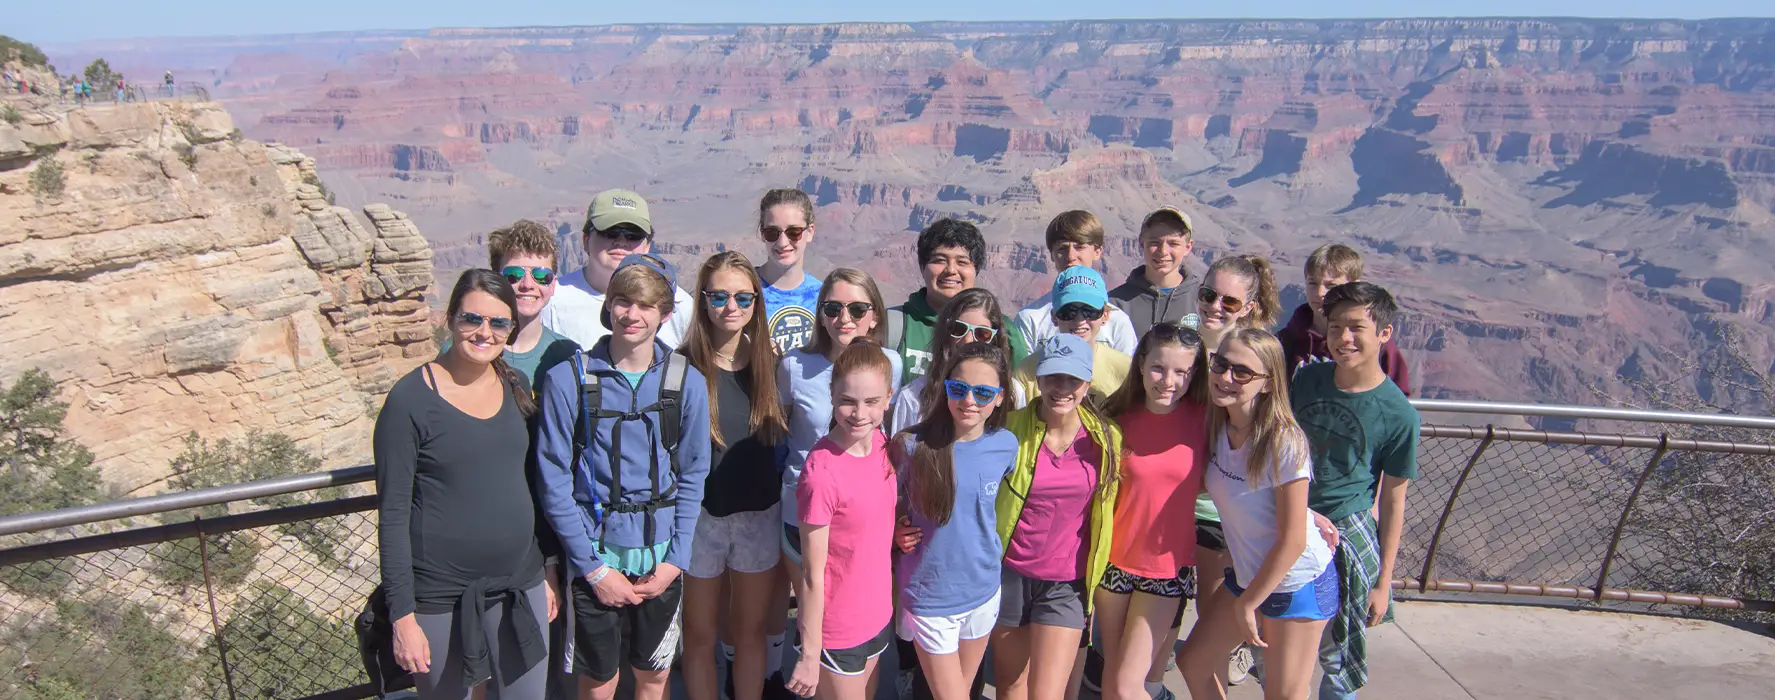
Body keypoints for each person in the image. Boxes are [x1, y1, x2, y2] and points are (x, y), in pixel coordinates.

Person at [533, 253, 713, 700]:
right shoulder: (568, 380)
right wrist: (592, 569)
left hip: (660, 559)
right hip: (595, 558)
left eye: (646, 305)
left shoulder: (684, 381)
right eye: (623, 301)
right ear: (608, 304)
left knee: (653, 677)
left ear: (665, 313)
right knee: (599, 681)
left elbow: (693, 473)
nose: (633, 315)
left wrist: (676, 561)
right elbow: (552, 477)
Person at [375, 269, 556, 700]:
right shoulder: (409, 401)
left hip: (519, 582)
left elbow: (533, 482)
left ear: (511, 329)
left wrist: (548, 567)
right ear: (450, 318)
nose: (483, 332)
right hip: (439, 596)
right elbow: (393, 514)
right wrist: (403, 617)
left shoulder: (516, 384)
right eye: (472, 319)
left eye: (498, 323)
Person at [1180, 329, 1337, 700]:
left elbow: (1293, 541)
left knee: (1284, 694)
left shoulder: (1284, 440)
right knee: (1194, 663)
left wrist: (1250, 602)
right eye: (1220, 364)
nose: (1225, 377)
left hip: (1296, 582)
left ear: (1268, 383)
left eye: (1242, 372)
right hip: (1250, 576)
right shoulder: (1219, 425)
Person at [1289, 282, 1420, 700]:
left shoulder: (1398, 415)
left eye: (1356, 327)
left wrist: (1384, 581)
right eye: (1335, 326)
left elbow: (1394, 500)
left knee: (1338, 656)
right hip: (1291, 521)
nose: (1343, 338)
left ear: (1384, 333)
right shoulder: (1307, 380)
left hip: (1346, 535)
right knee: (1282, 647)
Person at [779, 268, 903, 688]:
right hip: (839, 630)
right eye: (847, 402)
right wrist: (809, 655)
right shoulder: (821, 472)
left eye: (871, 401)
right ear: (831, 397)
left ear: (889, 399)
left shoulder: (883, 446)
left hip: (876, 615)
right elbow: (813, 576)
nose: (859, 413)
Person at [678, 252, 790, 700]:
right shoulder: (681, 366)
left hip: (759, 518)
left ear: (757, 302)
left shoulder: (771, 363)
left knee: (751, 631)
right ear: (703, 301)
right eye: (719, 296)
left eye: (744, 297)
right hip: (700, 520)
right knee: (701, 635)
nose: (731, 306)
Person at [993, 334, 1122, 700]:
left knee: (1047, 693)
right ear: (1039, 378)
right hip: (1011, 574)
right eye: (1052, 377)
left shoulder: (1106, 440)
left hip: (1067, 584)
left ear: (1088, 384)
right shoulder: (1009, 430)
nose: (1062, 388)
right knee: (1010, 685)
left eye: (1073, 380)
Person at [889, 343, 1017, 700]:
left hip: (983, 591)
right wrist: (895, 525)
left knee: (962, 689)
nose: (969, 400)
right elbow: (882, 500)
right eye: (958, 389)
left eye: (983, 392)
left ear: (999, 397)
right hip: (931, 596)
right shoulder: (912, 446)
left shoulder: (1005, 445)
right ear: (945, 387)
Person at [1092, 324, 1211, 700]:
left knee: (1129, 687)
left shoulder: (1206, 419)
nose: (1168, 382)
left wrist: (1307, 514)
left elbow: (1249, 470)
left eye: (1181, 372)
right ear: (1141, 364)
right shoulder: (1115, 417)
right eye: (1159, 368)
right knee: (1113, 679)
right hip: (1112, 564)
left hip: (1166, 568)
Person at [542, 189, 696, 351]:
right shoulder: (552, 300)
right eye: (610, 232)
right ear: (586, 240)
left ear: (648, 245)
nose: (621, 241)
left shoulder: (679, 305)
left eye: (633, 235)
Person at [437, 220, 580, 388]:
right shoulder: (463, 349)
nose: (527, 285)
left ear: (553, 284)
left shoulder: (568, 354)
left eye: (541, 276)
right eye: (514, 274)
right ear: (496, 279)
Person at [885, 218, 1030, 385]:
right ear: (922, 266)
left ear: (976, 269)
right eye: (939, 260)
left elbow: (1019, 396)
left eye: (962, 262)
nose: (951, 270)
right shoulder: (894, 324)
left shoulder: (1001, 330)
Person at [1275, 244, 1412, 396]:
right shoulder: (1284, 342)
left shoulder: (1375, 343)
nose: (1319, 292)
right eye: (1313, 283)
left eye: (1331, 285)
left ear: (1353, 286)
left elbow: (1399, 398)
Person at [889, 288, 1019, 436]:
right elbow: (900, 453)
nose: (968, 340)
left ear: (994, 338)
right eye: (958, 329)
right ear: (945, 331)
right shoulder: (914, 397)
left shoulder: (1014, 394)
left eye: (982, 333)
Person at [1013, 211, 1139, 355]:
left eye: (1079, 247)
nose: (1071, 256)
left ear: (1097, 252)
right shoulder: (1031, 319)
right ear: (1052, 255)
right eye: (1062, 249)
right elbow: (1023, 374)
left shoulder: (1117, 322)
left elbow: (1126, 373)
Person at [1011, 266, 1132, 407]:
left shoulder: (1125, 370)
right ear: (1054, 317)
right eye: (1069, 312)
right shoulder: (1027, 372)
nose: (1080, 320)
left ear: (1105, 315)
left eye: (1089, 311)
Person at [1109, 207, 1199, 335]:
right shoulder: (1116, 303)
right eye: (1154, 242)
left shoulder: (1203, 300)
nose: (1163, 251)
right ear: (1141, 242)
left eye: (1173, 244)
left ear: (1188, 247)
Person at [756, 188, 824, 355]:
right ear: (762, 234)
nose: (783, 243)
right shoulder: (742, 294)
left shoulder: (824, 297)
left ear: (810, 232)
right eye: (772, 232)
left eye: (794, 232)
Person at [1194, 254, 1281, 360]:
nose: (1215, 306)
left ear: (1247, 308)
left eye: (1230, 302)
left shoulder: (1250, 360)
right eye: (1208, 294)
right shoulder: (1175, 344)